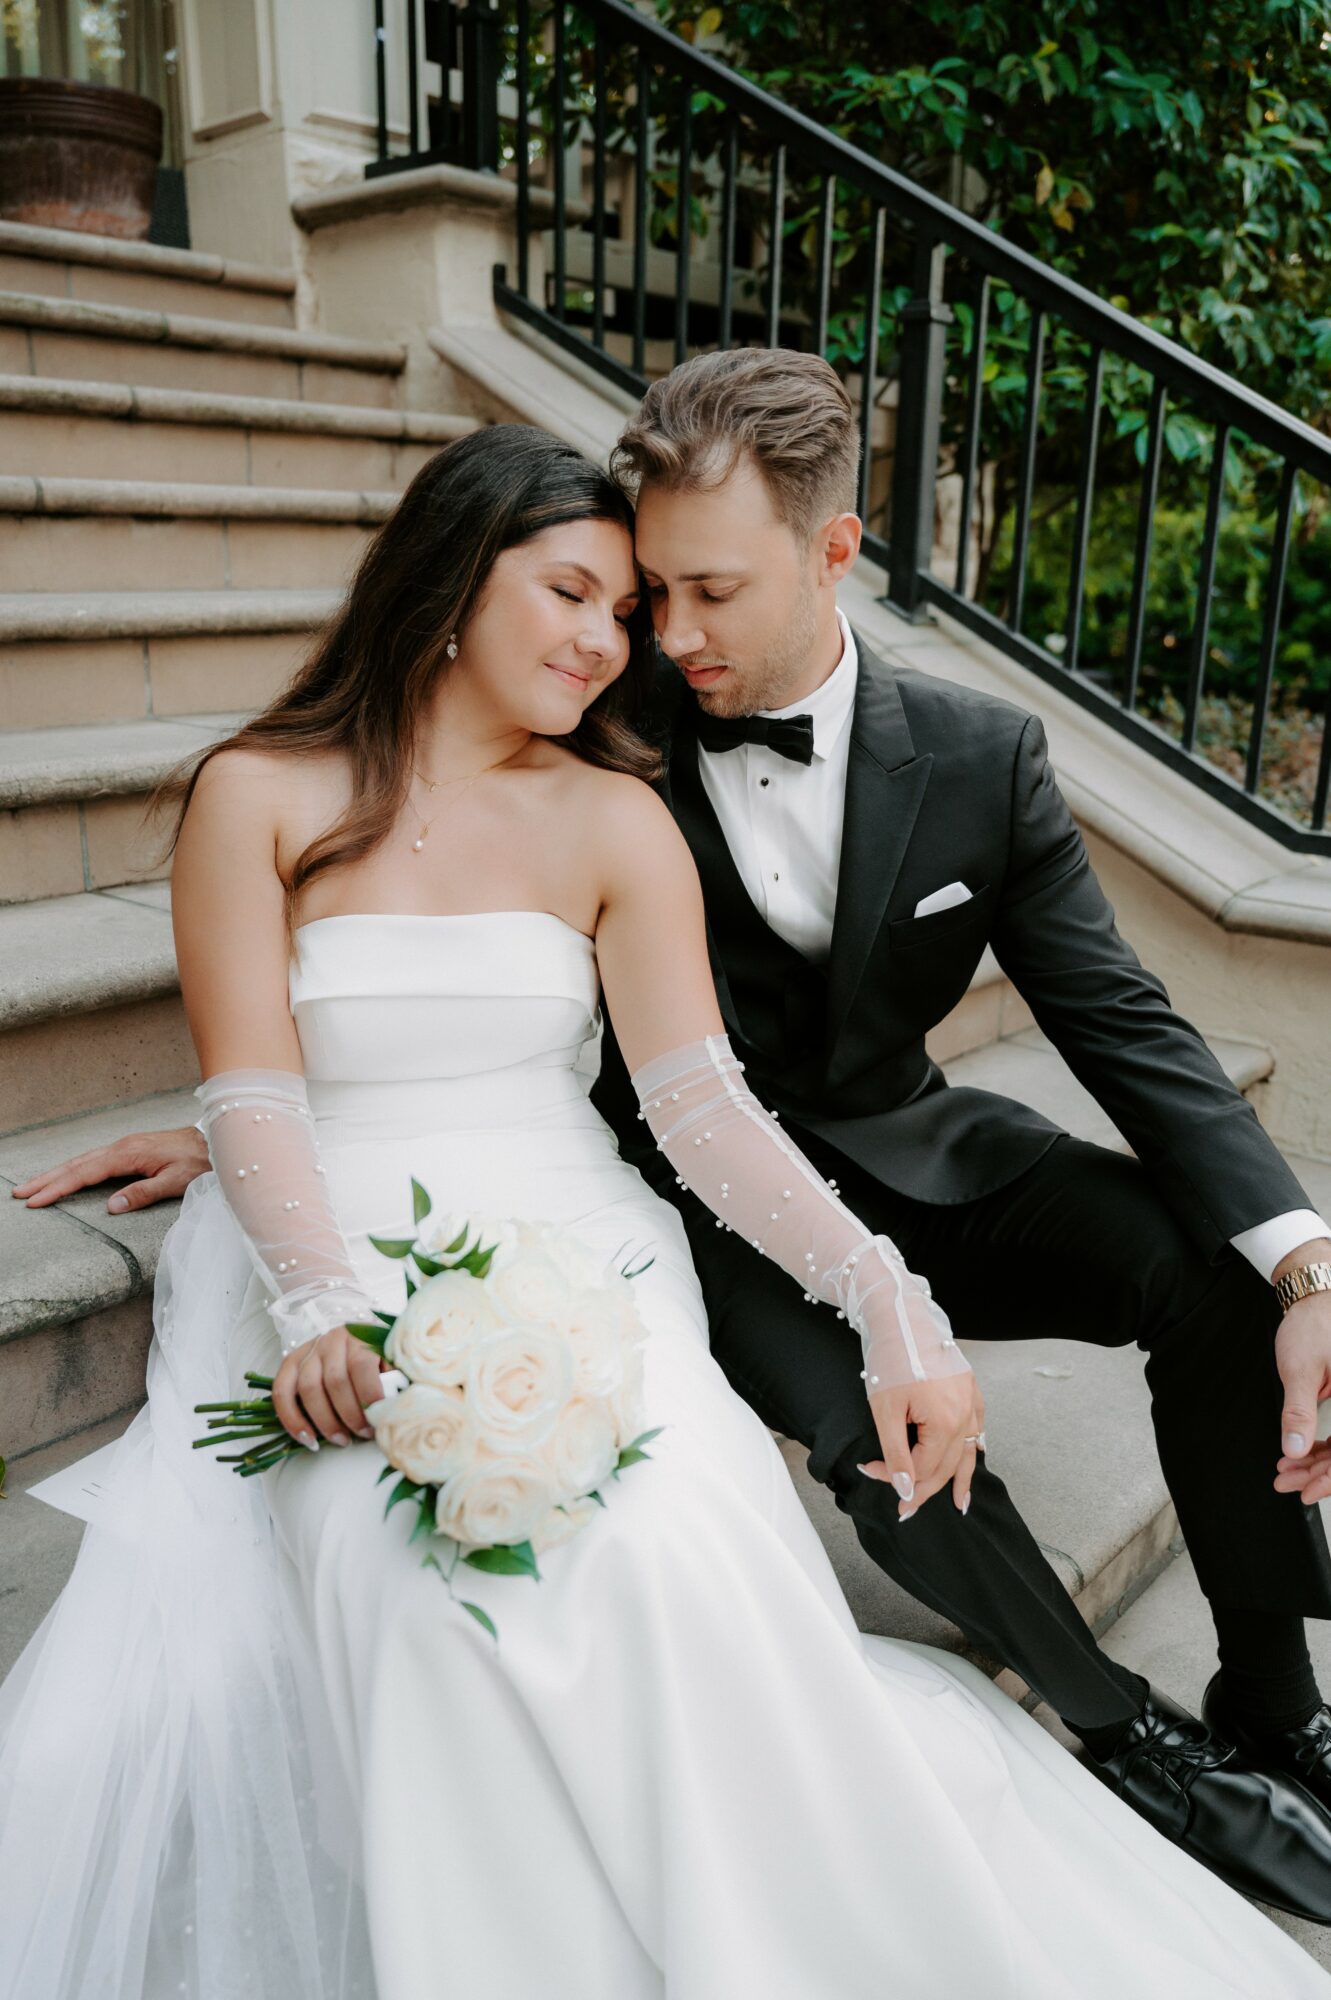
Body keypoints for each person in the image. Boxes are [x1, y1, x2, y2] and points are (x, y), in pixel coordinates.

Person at [5, 423, 1330, 2000]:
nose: (626, 640)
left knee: (697, 1544)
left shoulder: (666, 797)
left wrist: (902, 1293)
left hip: (705, 1208)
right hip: (423, 1247)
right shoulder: (295, 785)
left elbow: (755, 1098)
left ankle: (1254, 1708)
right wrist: (298, 1253)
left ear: (826, 558)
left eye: (643, 607)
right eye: (587, 594)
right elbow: (271, 1073)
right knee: (452, 1594)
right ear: (453, 574)